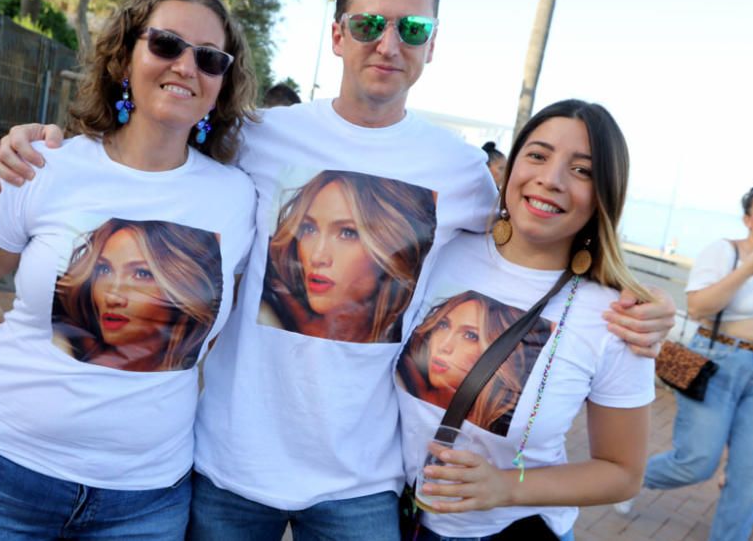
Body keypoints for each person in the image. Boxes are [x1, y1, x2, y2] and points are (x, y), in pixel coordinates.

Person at [0, 0, 677, 540]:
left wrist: (639, 301)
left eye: (412, 27)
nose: (389, 43)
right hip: (228, 463)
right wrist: (47, 141)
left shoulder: (462, 174)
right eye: (371, 23)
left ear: (432, 45)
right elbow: (151, 158)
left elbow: (532, 241)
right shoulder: (255, 136)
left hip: (363, 479)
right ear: (339, 35)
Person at [0, 0, 258, 540]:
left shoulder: (239, 197)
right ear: (124, 58)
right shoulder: (42, 165)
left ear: (221, 83)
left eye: (209, 57)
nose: (186, 66)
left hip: (144, 501)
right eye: (166, 44)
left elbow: (210, 335)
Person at [400, 100, 654, 540]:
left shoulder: (615, 319)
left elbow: (623, 472)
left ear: (604, 195)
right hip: (393, 517)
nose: (550, 180)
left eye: (582, 171)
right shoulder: (442, 249)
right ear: (511, 166)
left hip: (507, 532)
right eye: (538, 155)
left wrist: (506, 487)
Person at [623, 186, 753, 541]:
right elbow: (698, 308)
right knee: (696, 463)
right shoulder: (725, 252)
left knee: (749, 481)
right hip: (719, 364)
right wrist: (747, 270)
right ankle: (630, 480)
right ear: (748, 219)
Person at [261, 170, 436, 343]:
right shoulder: (265, 309)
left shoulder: (415, 348)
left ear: (395, 247)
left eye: (347, 233)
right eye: (309, 229)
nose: (317, 256)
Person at [52, 218, 223, 372]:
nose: (111, 298)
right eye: (104, 269)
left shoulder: (204, 366)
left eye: (142, 274)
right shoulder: (58, 346)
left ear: (184, 286)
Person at [396, 291, 545, 434]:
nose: (444, 346)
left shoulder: (509, 420)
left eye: (470, 335)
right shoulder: (404, 375)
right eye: (443, 325)